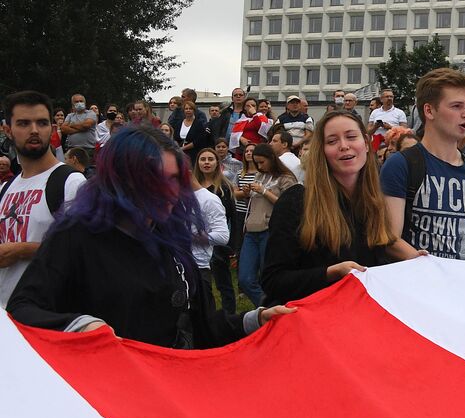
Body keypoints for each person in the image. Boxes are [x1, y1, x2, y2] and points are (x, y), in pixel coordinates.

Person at [7, 125, 292, 346]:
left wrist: (256, 319)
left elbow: (203, 328)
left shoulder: (171, 240)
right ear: (121, 179)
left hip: (160, 396)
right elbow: (23, 309)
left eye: (174, 180)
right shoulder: (75, 237)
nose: (169, 191)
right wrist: (81, 326)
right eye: (154, 179)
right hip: (99, 401)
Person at [261, 111, 408, 305]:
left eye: (351, 136)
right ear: (322, 151)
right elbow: (273, 281)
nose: (344, 146)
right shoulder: (296, 201)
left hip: (358, 322)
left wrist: (421, 261)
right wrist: (330, 273)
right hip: (311, 323)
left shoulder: (374, 204)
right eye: (332, 141)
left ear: (365, 142)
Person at [380, 68, 465, 266]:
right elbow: (390, 239)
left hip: (464, 286)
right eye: (456, 106)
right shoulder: (401, 164)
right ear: (429, 111)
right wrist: (433, 268)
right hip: (416, 287)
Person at [0, 91, 86, 306]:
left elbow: (87, 252)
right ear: (8, 131)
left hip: (46, 316)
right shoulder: (5, 188)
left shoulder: (71, 183)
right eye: (23, 123)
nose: (34, 130)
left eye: (42, 123)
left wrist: (22, 250)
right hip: (6, 319)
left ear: (52, 128)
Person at [236, 143, 297, 305]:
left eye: (262, 162)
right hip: (251, 230)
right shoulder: (258, 176)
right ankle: (268, 306)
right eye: (256, 163)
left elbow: (289, 205)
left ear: (272, 159)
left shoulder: (286, 178)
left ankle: (272, 310)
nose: (259, 166)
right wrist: (247, 192)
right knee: (245, 279)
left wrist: (264, 191)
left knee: (268, 277)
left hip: (270, 231)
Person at [192, 147, 237, 311]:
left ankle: (229, 315)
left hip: (218, 242)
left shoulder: (224, 187)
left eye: (210, 159)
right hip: (197, 247)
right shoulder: (192, 187)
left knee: (223, 283)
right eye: (202, 159)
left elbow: (232, 216)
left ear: (217, 163)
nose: (206, 163)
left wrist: (233, 244)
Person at [60, 93, 97, 157]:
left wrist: (72, 125)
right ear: (73, 105)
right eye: (76, 102)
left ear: (85, 103)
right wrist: (82, 129)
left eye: (81, 101)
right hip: (72, 149)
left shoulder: (91, 113)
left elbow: (87, 125)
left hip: (88, 149)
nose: (79, 103)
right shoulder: (70, 115)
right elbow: (63, 129)